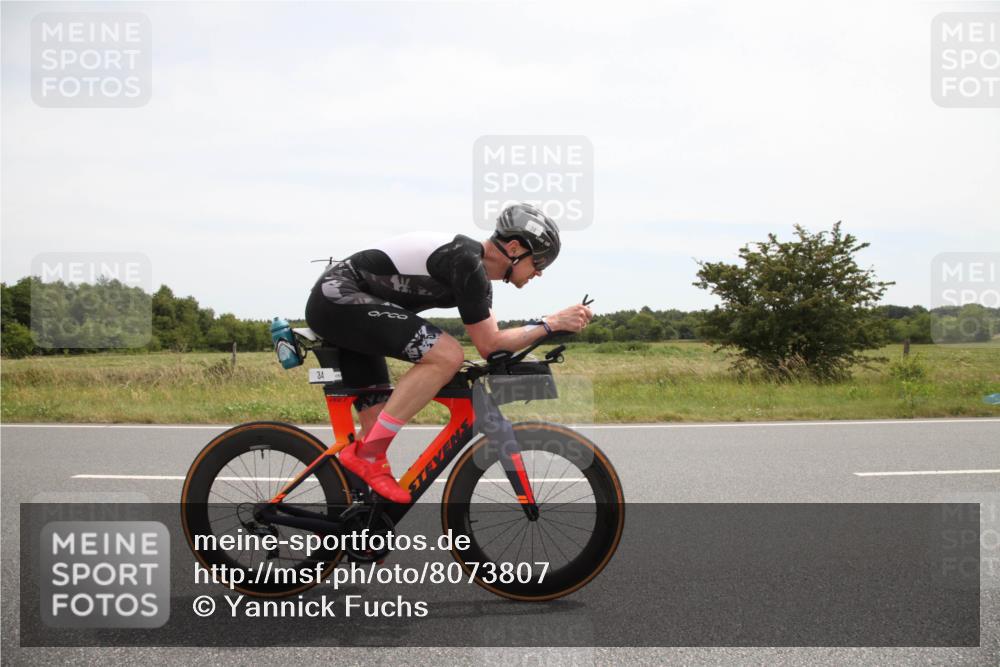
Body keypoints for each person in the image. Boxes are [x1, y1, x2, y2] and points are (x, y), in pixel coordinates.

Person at [304, 203, 593, 503]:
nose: (540, 273)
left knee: (374, 432)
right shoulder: (465, 260)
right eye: (539, 262)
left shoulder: (477, 278)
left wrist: (550, 328)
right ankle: (369, 455)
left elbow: (493, 343)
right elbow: (490, 344)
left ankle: (357, 529)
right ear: (514, 247)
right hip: (337, 298)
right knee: (446, 355)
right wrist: (551, 322)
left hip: (356, 313)